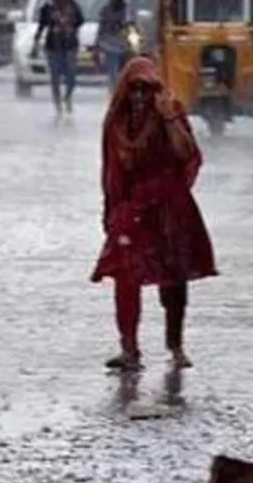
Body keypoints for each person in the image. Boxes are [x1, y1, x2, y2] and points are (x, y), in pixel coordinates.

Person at [91, 57, 217, 371]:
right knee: (126, 275)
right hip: (131, 206)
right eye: (133, 90)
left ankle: (175, 344)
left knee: (174, 275)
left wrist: (170, 118)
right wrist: (112, 211)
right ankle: (129, 347)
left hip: (169, 205)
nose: (139, 98)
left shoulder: (168, 114)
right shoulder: (116, 123)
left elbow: (187, 154)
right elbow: (111, 171)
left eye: (145, 90)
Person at [33, 0, 84, 116]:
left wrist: (70, 28)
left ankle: (67, 97)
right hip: (52, 46)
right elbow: (41, 26)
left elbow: (80, 21)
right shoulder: (47, 9)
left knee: (71, 75)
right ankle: (57, 104)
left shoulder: (73, 7)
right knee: (55, 77)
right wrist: (35, 43)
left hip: (70, 45)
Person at [96, 0, 130, 91]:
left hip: (125, 44)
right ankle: (115, 92)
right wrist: (98, 43)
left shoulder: (127, 9)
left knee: (124, 71)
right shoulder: (106, 9)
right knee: (113, 72)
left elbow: (132, 24)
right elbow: (101, 26)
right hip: (109, 44)